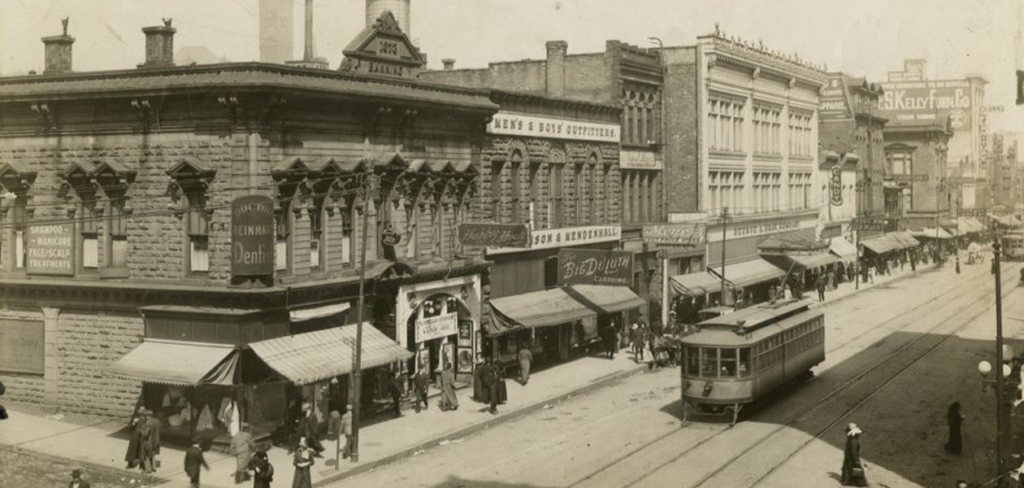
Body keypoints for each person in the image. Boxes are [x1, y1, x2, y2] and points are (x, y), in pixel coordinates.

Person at [139, 408, 161, 474]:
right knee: (153, 454)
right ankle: (154, 467)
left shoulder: (148, 423)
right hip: (156, 441)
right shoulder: (156, 421)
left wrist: (141, 431)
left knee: (145, 455)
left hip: (148, 442)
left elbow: (145, 434)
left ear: (146, 416)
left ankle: (148, 469)